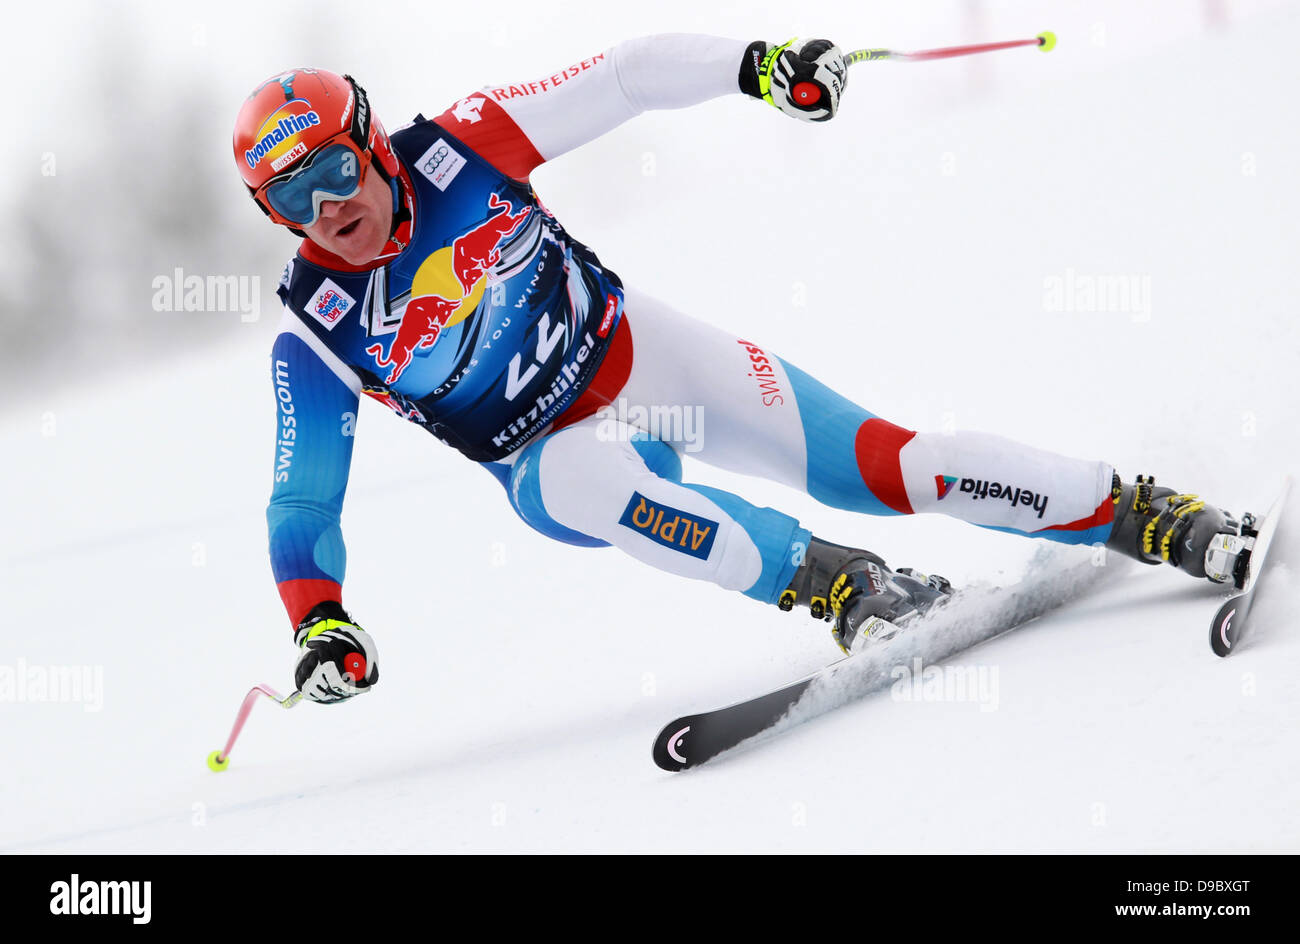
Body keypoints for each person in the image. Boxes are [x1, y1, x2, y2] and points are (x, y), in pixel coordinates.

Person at [232, 35, 1249, 704]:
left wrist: (757, 66)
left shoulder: (465, 143)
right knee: (591, 481)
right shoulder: (315, 325)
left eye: (330, 171)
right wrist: (317, 618)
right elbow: (300, 497)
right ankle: (839, 583)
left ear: (371, 142)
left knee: (889, 466)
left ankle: (1145, 513)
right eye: (288, 200)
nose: (324, 209)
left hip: (644, 359)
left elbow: (625, 78)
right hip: (554, 461)